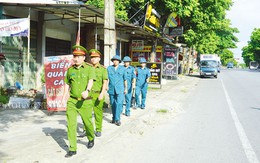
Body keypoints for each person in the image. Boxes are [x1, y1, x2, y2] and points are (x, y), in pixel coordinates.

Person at [62, 45, 95, 158]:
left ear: (84, 58)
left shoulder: (89, 68)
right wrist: (64, 96)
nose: (76, 58)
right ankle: (72, 148)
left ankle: (91, 137)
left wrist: (87, 90)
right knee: (71, 124)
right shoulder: (70, 69)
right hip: (72, 101)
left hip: (85, 101)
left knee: (87, 122)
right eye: (75, 56)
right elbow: (67, 83)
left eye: (79, 56)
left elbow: (91, 80)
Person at [78, 49, 108, 138]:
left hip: (98, 94)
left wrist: (102, 93)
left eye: (95, 57)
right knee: (86, 112)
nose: (93, 59)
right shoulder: (87, 68)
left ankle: (98, 129)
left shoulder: (103, 69)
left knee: (98, 113)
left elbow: (105, 82)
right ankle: (86, 129)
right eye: (92, 58)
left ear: (99, 59)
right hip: (88, 94)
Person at [107, 55, 127, 126]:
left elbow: (125, 79)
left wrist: (126, 88)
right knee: (113, 104)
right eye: (114, 60)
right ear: (112, 61)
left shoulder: (123, 69)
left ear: (119, 61)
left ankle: (117, 119)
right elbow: (107, 78)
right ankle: (114, 117)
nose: (115, 61)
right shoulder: (109, 68)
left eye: (117, 60)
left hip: (120, 89)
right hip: (112, 89)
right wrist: (107, 86)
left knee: (118, 103)